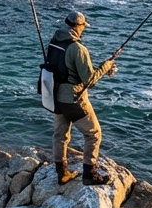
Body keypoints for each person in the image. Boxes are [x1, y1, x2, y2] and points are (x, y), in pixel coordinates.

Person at [47, 11, 116, 185]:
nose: (83, 29)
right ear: (78, 26)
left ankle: (62, 172)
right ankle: (89, 174)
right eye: (83, 26)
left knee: (60, 135)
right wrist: (107, 65)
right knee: (94, 134)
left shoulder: (54, 42)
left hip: (55, 97)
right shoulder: (78, 49)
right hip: (73, 99)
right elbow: (90, 81)